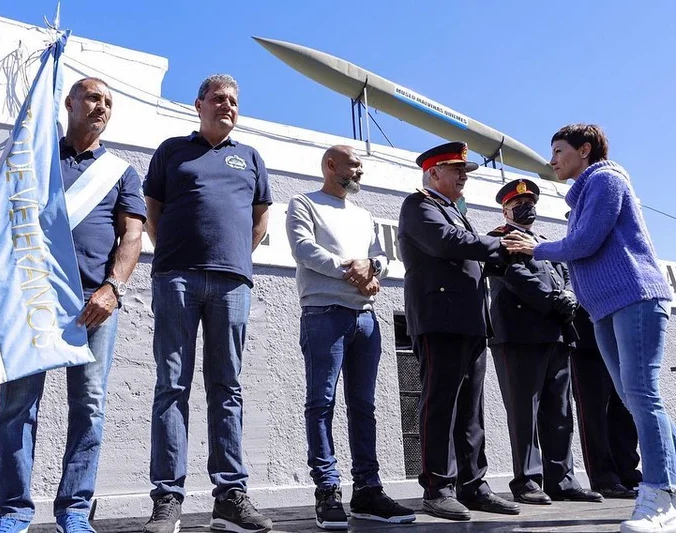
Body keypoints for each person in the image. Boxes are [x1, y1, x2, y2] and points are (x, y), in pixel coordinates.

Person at [0, 78, 146, 533]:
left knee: (89, 405)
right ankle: (13, 512)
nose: (101, 107)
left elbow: (132, 235)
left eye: (109, 102)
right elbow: (4, 221)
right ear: (69, 103)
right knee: (19, 406)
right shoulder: (35, 158)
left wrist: (113, 287)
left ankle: (74, 510)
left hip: (93, 303)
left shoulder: (120, 171)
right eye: (93, 97)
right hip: (31, 299)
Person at [504, 123, 674, 533]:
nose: (553, 159)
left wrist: (534, 247)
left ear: (585, 149)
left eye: (559, 150)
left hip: (635, 299)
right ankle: (666, 483)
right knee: (636, 402)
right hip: (604, 310)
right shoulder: (583, 194)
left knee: (643, 397)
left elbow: (584, 244)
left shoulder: (605, 179)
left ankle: (658, 497)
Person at [142, 74, 272, 533]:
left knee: (227, 387)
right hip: (176, 278)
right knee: (171, 386)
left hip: (233, 283)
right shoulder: (171, 151)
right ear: (198, 104)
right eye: (218, 98)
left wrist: (231, 257)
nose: (227, 105)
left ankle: (230, 497)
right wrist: (177, 256)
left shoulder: (251, 157)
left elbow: (259, 222)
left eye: (234, 100)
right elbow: (152, 212)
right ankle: (167, 499)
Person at [285, 145, 415, 530]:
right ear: (331, 165)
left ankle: (367, 491)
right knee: (321, 403)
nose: (360, 172)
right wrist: (352, 270)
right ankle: (327, 491)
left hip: (366, 319)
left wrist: (371, 266)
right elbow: (305, 250)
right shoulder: (302, 203)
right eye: (355, 165)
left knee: (364, 407)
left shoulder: (364, 215)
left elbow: (383, 258)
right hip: (323, 314)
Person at [397, 141, 520, 521]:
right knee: (440, 403)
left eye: (464, 171)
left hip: (469, 321)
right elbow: (446, 242)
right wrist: (501, 244)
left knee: (471, 409)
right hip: (439, 319)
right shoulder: (418, 205)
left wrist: (507, 254)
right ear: (433, 173)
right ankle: (438, 488)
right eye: (457, 170)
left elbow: (472, 255)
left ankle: (474, 485)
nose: (463, 177)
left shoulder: (454, 211)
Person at [485, 178, 602, 505]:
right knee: (525, 412)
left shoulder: (543, 241)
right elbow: (514, 277)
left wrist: (568, 295)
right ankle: (527, 481)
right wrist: (554, 299)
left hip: (557, 333)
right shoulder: (499, 239)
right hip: (519, 335)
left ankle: (561, 479)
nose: (527, 209)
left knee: (560, 411)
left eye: (531, 204)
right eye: (519, 205)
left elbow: (564, 272)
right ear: (505, 208)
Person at [571, 305, 641, 499]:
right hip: (586, 335)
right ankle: (603, 479)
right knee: (593, 411)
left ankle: (628, 473)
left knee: (625, 410)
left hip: (620, 332)